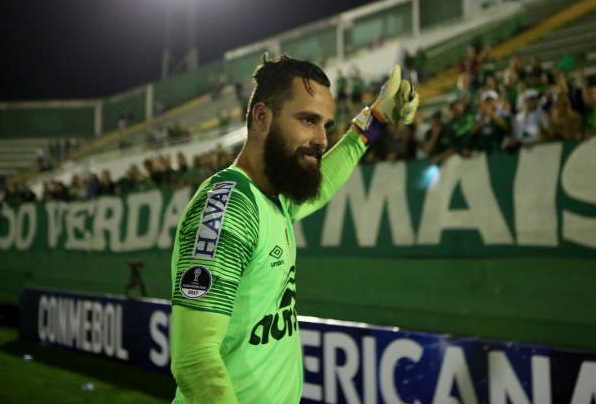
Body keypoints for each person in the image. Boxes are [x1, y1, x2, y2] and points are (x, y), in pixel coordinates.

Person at [169, 55, 418, 404]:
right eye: (307, 120)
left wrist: (372, 121)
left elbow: (324, 183)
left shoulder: (273, 197)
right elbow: (195, 360)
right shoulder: (229, 207)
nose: (321, 139)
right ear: (262, 117)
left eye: (325, 125)